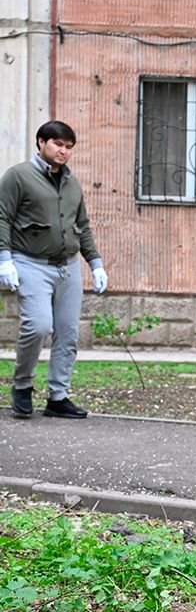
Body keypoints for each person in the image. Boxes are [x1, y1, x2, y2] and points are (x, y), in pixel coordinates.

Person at [0, 121, 108, 419]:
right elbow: (2, 217)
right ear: (41, 142)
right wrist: (4, 258)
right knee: (38, 326)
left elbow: (82, 226)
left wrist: (95, 264)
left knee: (68, 333)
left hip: (68, 267)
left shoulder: (72, 183)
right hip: (30, 263)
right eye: (58, 144)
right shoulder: (18, 176)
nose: (63, 151)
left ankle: (58, 397)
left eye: (69, 147)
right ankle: (22, 386)